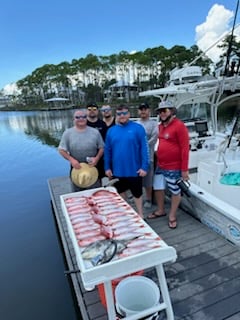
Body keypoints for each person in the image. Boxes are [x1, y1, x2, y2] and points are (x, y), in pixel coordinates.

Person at [147, 100, 189, 229]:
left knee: (175, 191)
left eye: (165, 110)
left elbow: (185, 148)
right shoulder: (160, 126)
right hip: (161, 164)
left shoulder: (179, 126)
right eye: (160, 111)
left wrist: (184, 170)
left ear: (172, 111)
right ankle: (161, 210)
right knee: (158, 187)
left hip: (174, 166)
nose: (162, 113)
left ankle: (172, 215)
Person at [104, 104, 149, 218]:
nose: (122, 116)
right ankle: (127, 213)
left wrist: (144, 166)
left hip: (135, 169)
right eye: (119, 114)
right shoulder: (111, 131)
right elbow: (107, 151)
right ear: (116, 115)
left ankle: (140, 214)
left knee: (137, 194)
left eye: (124, 113)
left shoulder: (138, 128)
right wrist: (107, 167)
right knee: (120, 192)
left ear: (129, 114)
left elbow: (145, 149)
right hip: (118, 170)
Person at [58, 108, 104, 191]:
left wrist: (96, 159)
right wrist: (72, 160)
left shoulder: (95, 132)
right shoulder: (67, 133)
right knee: (77, 196)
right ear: (73, 119)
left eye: (83, 117)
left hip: (92, 168)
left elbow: (102, 148)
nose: (81, 119)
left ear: (86, 118)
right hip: (76, 169)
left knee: (95, 194)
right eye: (77, 117)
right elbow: (61, 150)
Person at [137, 102, 158, 208]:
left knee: (148, 180)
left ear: (149, 111)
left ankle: (148, 199)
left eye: (145, 109)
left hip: (148, 157)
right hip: (136, 158)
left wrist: (142, 146)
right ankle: (137, 195)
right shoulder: (135, 124)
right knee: (136, 178)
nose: (143, 111)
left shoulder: (154, 124)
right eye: (141, 109)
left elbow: (154, 138)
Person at [86, 102, 108, 182]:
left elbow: (106, 141)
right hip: (87, 157)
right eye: (89, 109)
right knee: (88, 179)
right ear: (86, 111)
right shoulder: (83, 124)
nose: (92, 111)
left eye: (94, 109)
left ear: (98, 111)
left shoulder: (103, 124)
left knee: (99, 178)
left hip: (100, 156)